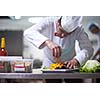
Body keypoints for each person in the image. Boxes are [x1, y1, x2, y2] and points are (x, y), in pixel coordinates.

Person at [24, 16, 94, 83]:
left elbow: (88, 48)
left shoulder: (78, 29)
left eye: (68, 34)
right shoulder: (48, 22)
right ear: (57, 22)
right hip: (50, 63)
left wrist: (76, 60)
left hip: (70, 64)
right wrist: (47, 42)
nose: (63, 35)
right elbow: (28, 32)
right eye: (61, 30)